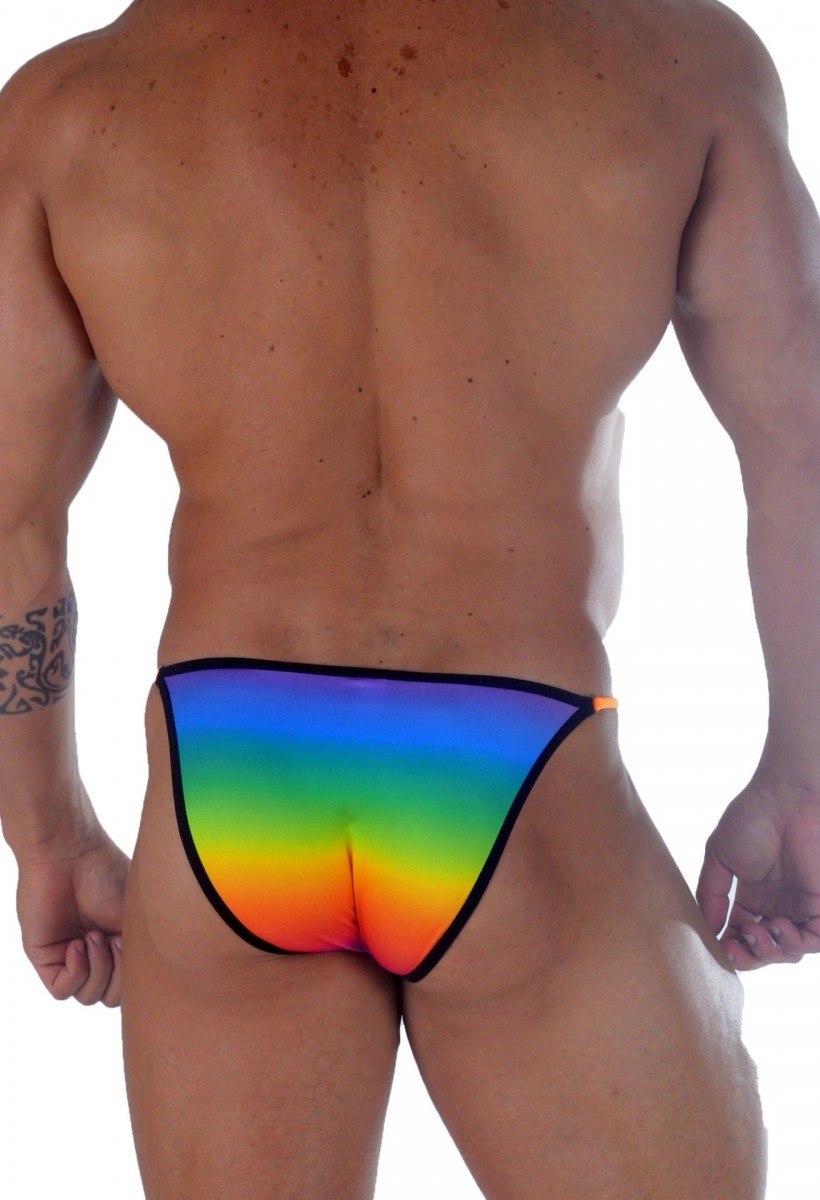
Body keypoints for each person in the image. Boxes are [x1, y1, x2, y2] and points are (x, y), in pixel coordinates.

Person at [0, 0, 817, 1195]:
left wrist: (47, 834)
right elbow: (799, 448)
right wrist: (802, 774)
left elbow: (12, 520)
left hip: (233, 769)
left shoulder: (71, 105)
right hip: (519, 755)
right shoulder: (673, 58)